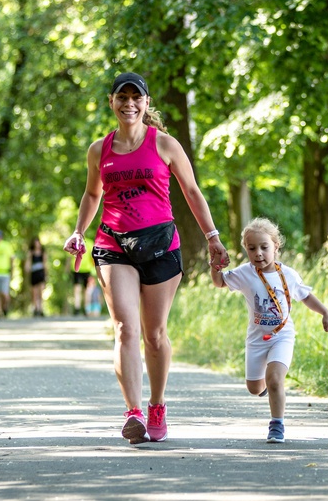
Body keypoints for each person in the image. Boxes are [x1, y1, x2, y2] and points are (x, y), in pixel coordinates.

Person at [63, 72, 230, 445]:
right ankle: (133, 412)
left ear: (146, 103)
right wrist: (79, 231)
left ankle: (156, 405)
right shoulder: (98, 150)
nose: (129, 104)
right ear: (112, 102)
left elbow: (191, 191)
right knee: (126, 328)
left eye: (135, 97)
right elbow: (92, 195)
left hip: (159, 244)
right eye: (121, 97)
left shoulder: (166, 145)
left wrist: (213, 238)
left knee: (154, 334)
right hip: (113, 244)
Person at [210, 217, 328, 443]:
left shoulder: (288, 274)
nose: (258, 253)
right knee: (254, 388)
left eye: (264, 247)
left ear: (276, 246)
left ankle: (277, 425)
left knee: (275, 379)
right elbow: (219, 282)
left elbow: (305, 296)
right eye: (252, 248)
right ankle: (265, 389)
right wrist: (215, 265)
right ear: (245, 249)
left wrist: (324, 312)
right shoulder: (245, 273)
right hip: (257, 339)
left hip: (282, 336)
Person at [25, 236, 47, 317]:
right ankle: (36, 308)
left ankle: (41, 308)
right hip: (34, 273)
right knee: (34, 292)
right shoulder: (31, 252)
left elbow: (45, 263)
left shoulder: (42, 252)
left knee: (40, 291)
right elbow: (28, 263)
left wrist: (46, 275)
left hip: (41, 273)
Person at [72, 243, 95, 315]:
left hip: (86, 270)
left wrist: (93, 270)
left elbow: (92, 257)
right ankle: (77, 308)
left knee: (86, 290)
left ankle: (85, 308)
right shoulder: (74, 241)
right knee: (77, 289)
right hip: (76, 269)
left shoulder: (89, 243)